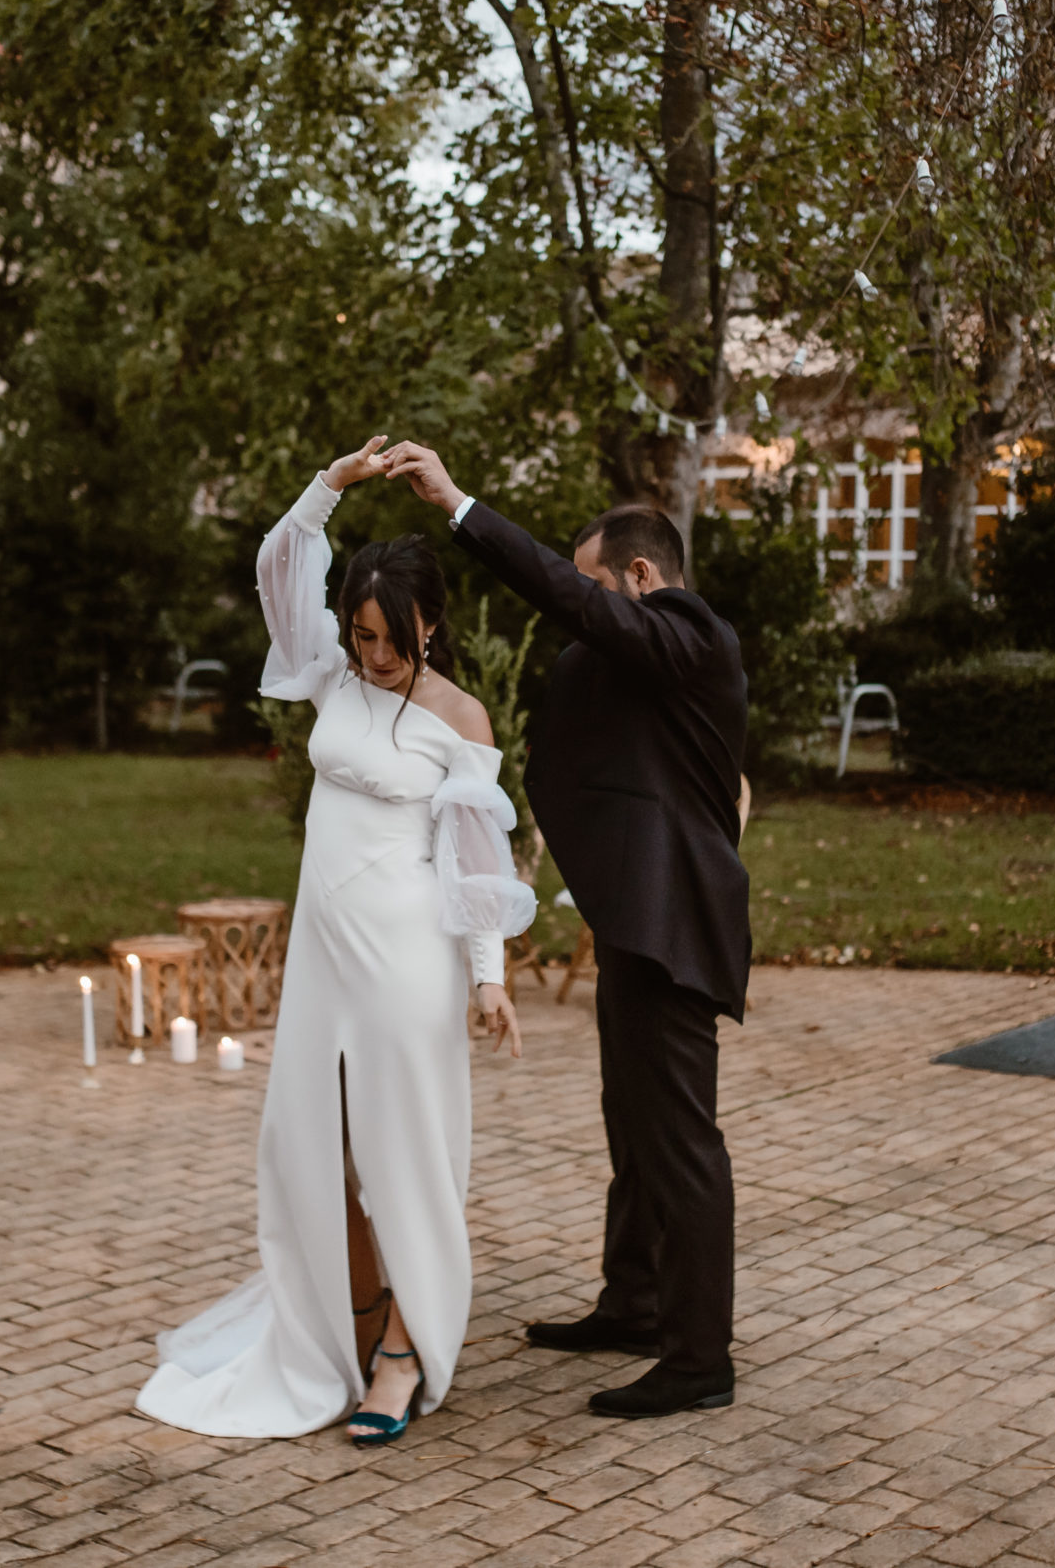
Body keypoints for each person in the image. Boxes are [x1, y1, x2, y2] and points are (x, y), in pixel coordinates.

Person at [136, 436, 536, 1445]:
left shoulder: (461, 720)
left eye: (391, 636)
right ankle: (348, 1323)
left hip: (408, 957)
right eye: (360, 632)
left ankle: (403, 1351)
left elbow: (476, 859)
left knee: (404, 1153)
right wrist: (331, 486)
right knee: (306, 1144)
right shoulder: (327, 676)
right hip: (323, 956)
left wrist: (489, 978)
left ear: (431, 623)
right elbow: (279, 563)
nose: (374, 653)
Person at [381, 440, 750, 1420]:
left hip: (675, 926)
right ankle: (632, 1303)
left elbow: (576, 608)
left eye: (597, 587)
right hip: (638, 920)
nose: (586, 606)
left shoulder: (691, 634)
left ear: (638, 576)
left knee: (679, 1141)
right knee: (630, 1124)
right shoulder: (643, 657)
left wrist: (461, 508)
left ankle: (698, 1356)